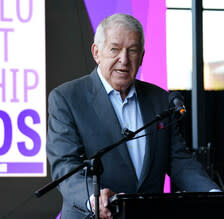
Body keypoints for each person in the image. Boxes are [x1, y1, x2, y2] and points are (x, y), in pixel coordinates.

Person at [46, 13, 221, 219]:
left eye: (133, 50)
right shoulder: (67, 98)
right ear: (96, 52)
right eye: (114, 49)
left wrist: (214, 196)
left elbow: (179, 161)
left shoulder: (160, 100)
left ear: (142, 56)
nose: (124, 59)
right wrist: (92, 199)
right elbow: (66, 166)